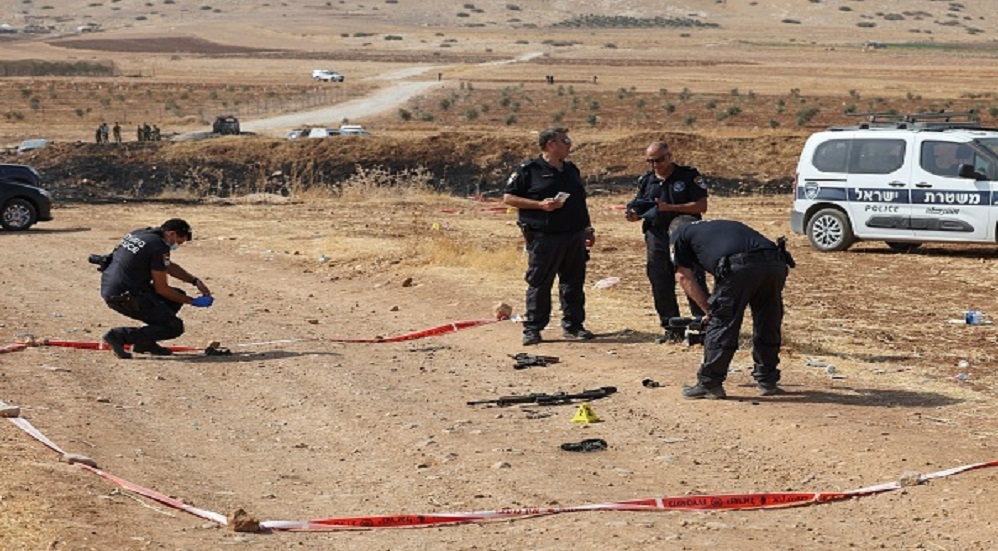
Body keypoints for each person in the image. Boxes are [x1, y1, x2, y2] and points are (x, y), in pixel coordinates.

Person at [669, 216, 794, 399]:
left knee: (723, 323)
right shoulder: (720, 226)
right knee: (768, 320)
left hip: (740, 267)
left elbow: (683, 277)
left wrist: (709, 310)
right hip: (775, 262)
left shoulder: (679, 233)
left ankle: (710, 384)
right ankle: (767, 380)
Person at [503, 127, 595, 346]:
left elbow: (579, 202)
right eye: (565, 140)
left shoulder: (571, 169)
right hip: (544, 236)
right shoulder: (529, 170)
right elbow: (508, 198)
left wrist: (588, 228)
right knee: (540, 283)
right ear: (551, 145)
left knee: (573, 283)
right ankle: (533, 328)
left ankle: (574, 326)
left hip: (574, 234)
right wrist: (540, 205)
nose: (569, 144)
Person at [626, 141, 710, 343]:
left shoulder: (688, 176)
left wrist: (670, 207)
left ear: (669, 156)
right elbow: (641, 206)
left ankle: (704, 326)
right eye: (650, 161)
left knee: (692, 278)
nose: (655, 165)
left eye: (659, 160)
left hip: (685, 235)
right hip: (657, 235)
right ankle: (672, 329)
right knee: (660, 281)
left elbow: (701, 205)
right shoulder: (647, 180)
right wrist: (635, 215)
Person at [100, 219, 214, 359]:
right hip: (124, 296)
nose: (177, 246)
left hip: (114, 287)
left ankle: (145, 343)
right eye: (178, 242)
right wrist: (192, 301)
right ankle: (119, 336)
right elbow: (162, 289)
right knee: (174, 326)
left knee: (175, 298)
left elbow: (166, 265)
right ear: (171, 234)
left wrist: (195, 281)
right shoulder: (158, 247)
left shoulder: (141, 234)